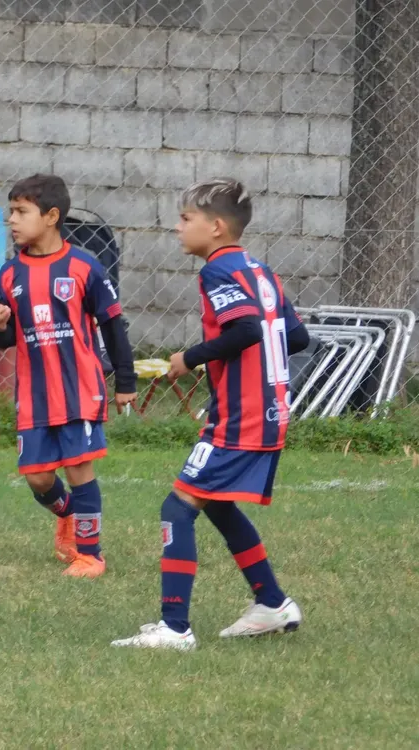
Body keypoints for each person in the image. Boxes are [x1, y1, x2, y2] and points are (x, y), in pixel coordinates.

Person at [112, 178, 311, 651]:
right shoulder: (260, 271)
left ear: (216, 227)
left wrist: (190, 357)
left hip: (242, 413)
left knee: (178, 505)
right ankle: (272, 603)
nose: (178, 227)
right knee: (216, 501)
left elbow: (245, 330)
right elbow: (297, 337)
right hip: (269, 408)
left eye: (186, 219)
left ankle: (175, 628)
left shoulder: (218, 271)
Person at [0, 174, 137, 578]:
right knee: (37, 477)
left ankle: (91, 555)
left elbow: (112, 325)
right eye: (11, 212)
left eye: (21, 212)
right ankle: (68, 515)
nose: (12, 220)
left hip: (78, 388)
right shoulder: (9, 273)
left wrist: (125, 381)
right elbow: (6, 339)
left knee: (78, 469)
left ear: (51, 216)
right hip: (34, 394)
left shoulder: (84, 267)